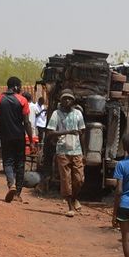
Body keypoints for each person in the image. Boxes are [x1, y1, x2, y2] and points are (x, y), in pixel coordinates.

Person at [0, 77, 35, 202]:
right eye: (19, 86)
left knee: (7, 162)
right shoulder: (22, 100)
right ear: (15, 86)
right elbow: (26, 123)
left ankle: (11, 184)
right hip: (19, 137)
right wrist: (31, 141)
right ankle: (17, 194)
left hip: (5, 137)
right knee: (20, 164)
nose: (20, 89)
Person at [46, 89, 86, 217]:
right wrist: (66, 132)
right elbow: (50, 132)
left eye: (69, 98)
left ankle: (74, 198)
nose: (67, 101)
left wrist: (84, 152)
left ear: (73, 101)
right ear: (61, 100)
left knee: (79, 179)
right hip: (62, 150)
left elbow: (82, 133)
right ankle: (69, 206)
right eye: (65, 98)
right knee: (66, 179)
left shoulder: (78, 114)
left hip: (77, 150)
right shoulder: (56, 114)